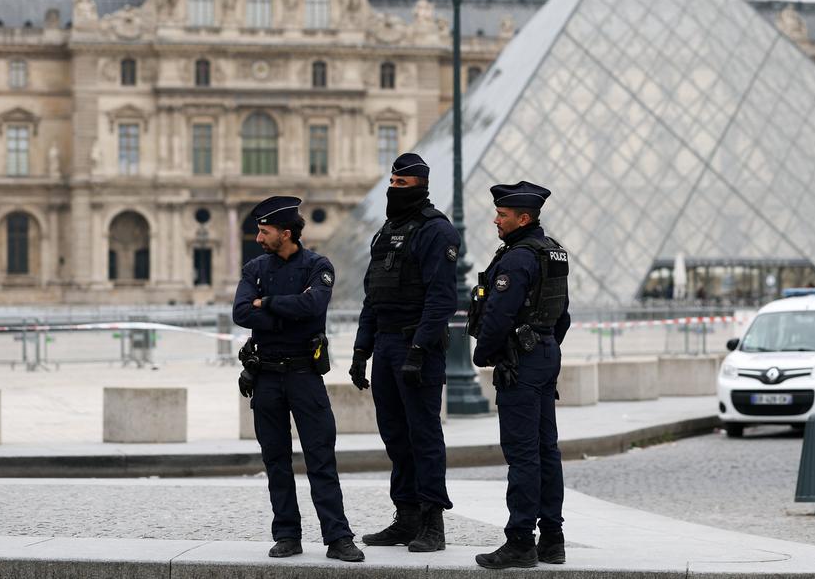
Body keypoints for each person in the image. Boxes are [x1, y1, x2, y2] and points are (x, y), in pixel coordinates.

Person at [233, 196, 364, 562]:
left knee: (321, 459)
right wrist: (288, 311)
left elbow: (313, 307)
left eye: (265, 231)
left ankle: (338, 537)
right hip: (266, 375)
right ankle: (287, 535)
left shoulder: (318, 265)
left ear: (286, 233)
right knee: (275, 461)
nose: (258, 238)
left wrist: (266, 303)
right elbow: (241, 312)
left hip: (305, 374)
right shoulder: (255, 268)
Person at [349, 153, 459, 552]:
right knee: (395, 435)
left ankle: (432, 522)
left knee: (423, 436)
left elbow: (441, 299)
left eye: (402, 185)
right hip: (385, 345)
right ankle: (406, 515)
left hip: (417, 346)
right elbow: (373, 296)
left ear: (420, 187)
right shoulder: (386, 231)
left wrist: (418, 349)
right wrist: (361, 349)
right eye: (392, 183)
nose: (393, 190)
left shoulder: (436, 230)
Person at [470, 181, 571, 570]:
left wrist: (485, 353)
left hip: (521, 362)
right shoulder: (553, 252)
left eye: (503, 215)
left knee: (523, 454)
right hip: (545, 353)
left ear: (523, 218)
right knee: (547, 450)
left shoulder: (517, 259)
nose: (496, 220)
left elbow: (498, 316)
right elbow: (562, 315)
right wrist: (544, 344)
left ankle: (520, 542)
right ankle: (553, 540)